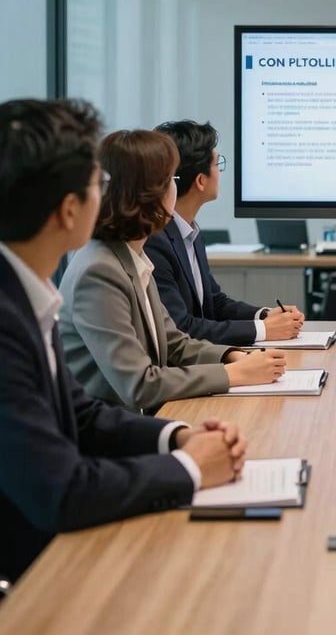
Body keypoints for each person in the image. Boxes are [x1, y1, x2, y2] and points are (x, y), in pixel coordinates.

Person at [0, 98, 247, 582]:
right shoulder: (11, 319)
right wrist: (191, 469)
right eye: (98, 184)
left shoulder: (28, 295)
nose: (108, 195)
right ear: (70, 211)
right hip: (39, 570)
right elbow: (62, 491)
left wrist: (177, 436)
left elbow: (82, 415)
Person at [59, 129, 288, 413]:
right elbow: (140, 385)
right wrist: (235, 375)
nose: (174, 189)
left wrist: (233, 357)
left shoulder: (131, 256)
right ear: (149, 194)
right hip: (109, 438)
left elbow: (174, 343)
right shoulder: (99, 272)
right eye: (170, 180)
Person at [144, 120, 304, 347]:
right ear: (200, 181)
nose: (220, 172)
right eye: (217, 164)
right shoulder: (154, 241)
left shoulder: (190, 233)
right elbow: (182, 327)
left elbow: (214, 303)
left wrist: (265, 315)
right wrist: (263, 330)